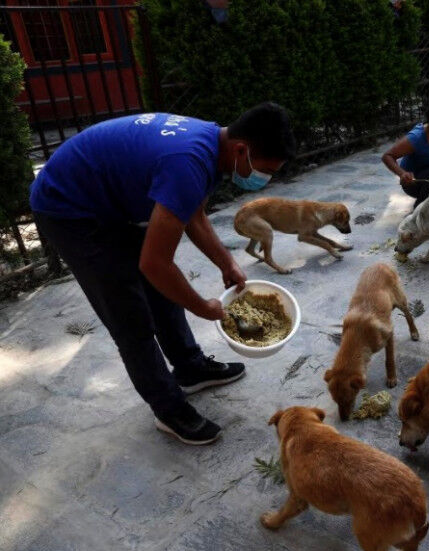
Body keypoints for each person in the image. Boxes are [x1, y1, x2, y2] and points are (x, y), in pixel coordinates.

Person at [29, 102, 296, 445]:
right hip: (70, 208)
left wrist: (225, 262)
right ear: (242, 150)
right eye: (264, 170)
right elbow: (154, 263)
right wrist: (203, 307)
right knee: (130, 315)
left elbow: (193, 214)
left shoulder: (214, 145)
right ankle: (168, 409)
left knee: (161, 291)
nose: (264, 179)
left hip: (111, 200)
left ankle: (190, 368)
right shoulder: (187, 162)